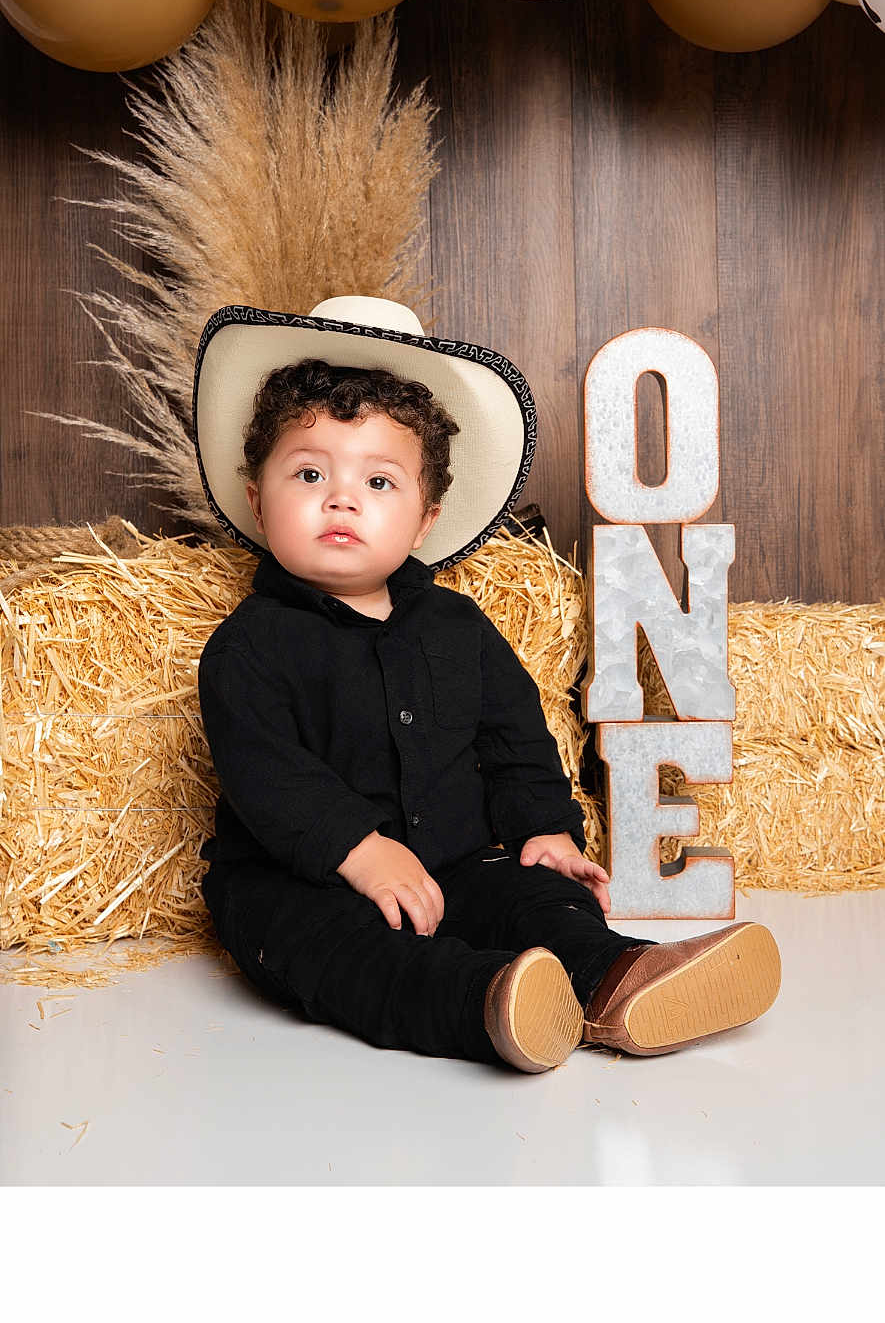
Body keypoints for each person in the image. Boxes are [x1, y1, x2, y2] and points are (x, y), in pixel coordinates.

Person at [193, 294, 781, 1075]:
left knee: (536, 897)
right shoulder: (247, 647)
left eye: (378, 483)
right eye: (308, 474)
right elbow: (267, 774)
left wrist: (544, 827)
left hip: (460, 861)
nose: (340, 498)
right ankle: (491, 1003)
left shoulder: (456, 629)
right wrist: (360, 853)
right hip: (303, 879)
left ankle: (614, 979)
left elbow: (513, 740)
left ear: (424, 520)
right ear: (259, 505)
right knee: (336, 952)